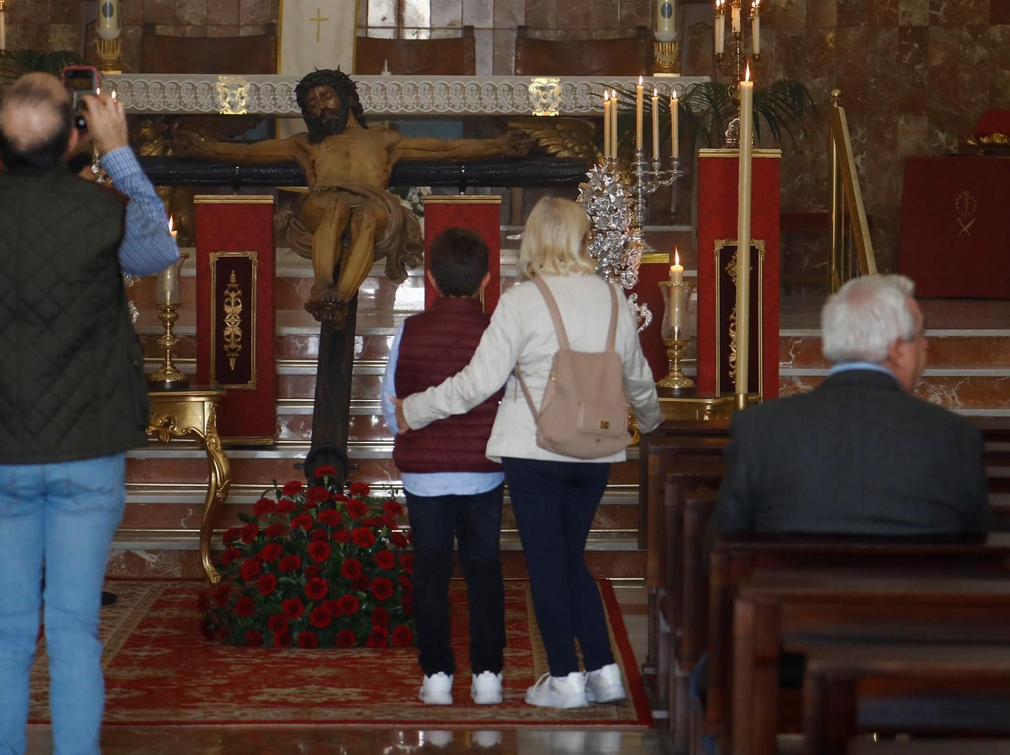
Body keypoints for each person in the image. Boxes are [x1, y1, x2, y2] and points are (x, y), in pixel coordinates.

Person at [0, 74, 178, 755]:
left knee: (7, 633)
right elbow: (158, 250)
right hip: (85, 442)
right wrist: (119, 152)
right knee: (72, 630)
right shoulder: (102, 212)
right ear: (77, 134)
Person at [395, 197, 664, 710]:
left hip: (535, 449)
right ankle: (604, 670)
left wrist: (415, 408)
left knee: (547, 563)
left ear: (535, 240)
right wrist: (654, 426)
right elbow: (638, 379)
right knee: (569, 558)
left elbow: (477, 384)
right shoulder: (613, 297)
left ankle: (564, 676)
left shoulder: (522, 302)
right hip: (596, 450)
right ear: (579, 239)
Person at [182, 68, 528, 325]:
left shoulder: (383, 140)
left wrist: (499, 145)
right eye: (313, 103)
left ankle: (339, 301)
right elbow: (246, 154)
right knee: (335, 207)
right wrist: (200, 148)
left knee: (363, 218)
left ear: (346, 97)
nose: (321, 106)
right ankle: (324, 286)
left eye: (326, 96)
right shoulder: (305, 143)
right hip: (325, 202)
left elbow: (449, 150)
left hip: (373, 206)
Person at [709, 273, 991, 540]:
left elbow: (720, 549)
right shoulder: (956, 438)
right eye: (919, 335)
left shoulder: (760, 431)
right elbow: (978, 560)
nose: (926, 345)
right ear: (896, 351)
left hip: (793, 590)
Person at [380, 228, 507, 707]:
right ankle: (488, 675)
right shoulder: (497, 330)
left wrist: (410, 416)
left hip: (424, 473)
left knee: (431, 569)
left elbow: (392, 408)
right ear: (486, 280)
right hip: (484, 468)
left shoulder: (409, 331)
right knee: (483, 568)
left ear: (430, 279)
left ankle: (436, 675)